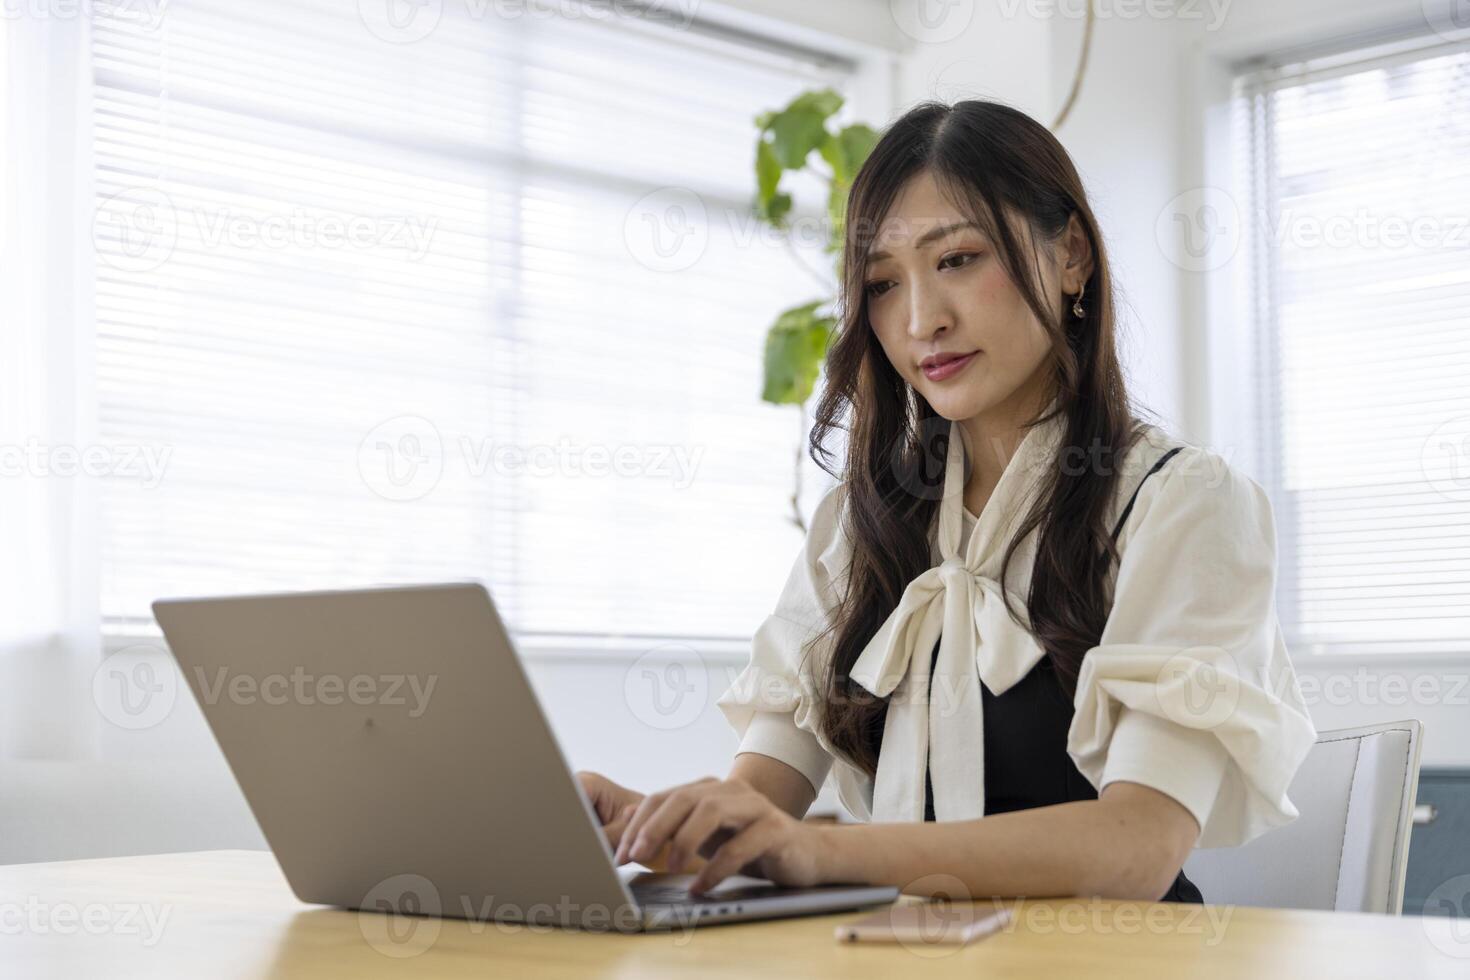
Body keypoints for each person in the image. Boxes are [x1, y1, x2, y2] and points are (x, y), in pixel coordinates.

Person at [577, 98, 1316, 902]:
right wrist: (659, 828)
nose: (922, 320)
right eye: (884, 284)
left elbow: (1139, 845)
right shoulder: (858, 526)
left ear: (1071, 254)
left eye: (958, 259)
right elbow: (764, 798)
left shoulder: (1181, 504)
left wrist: (824, 852)